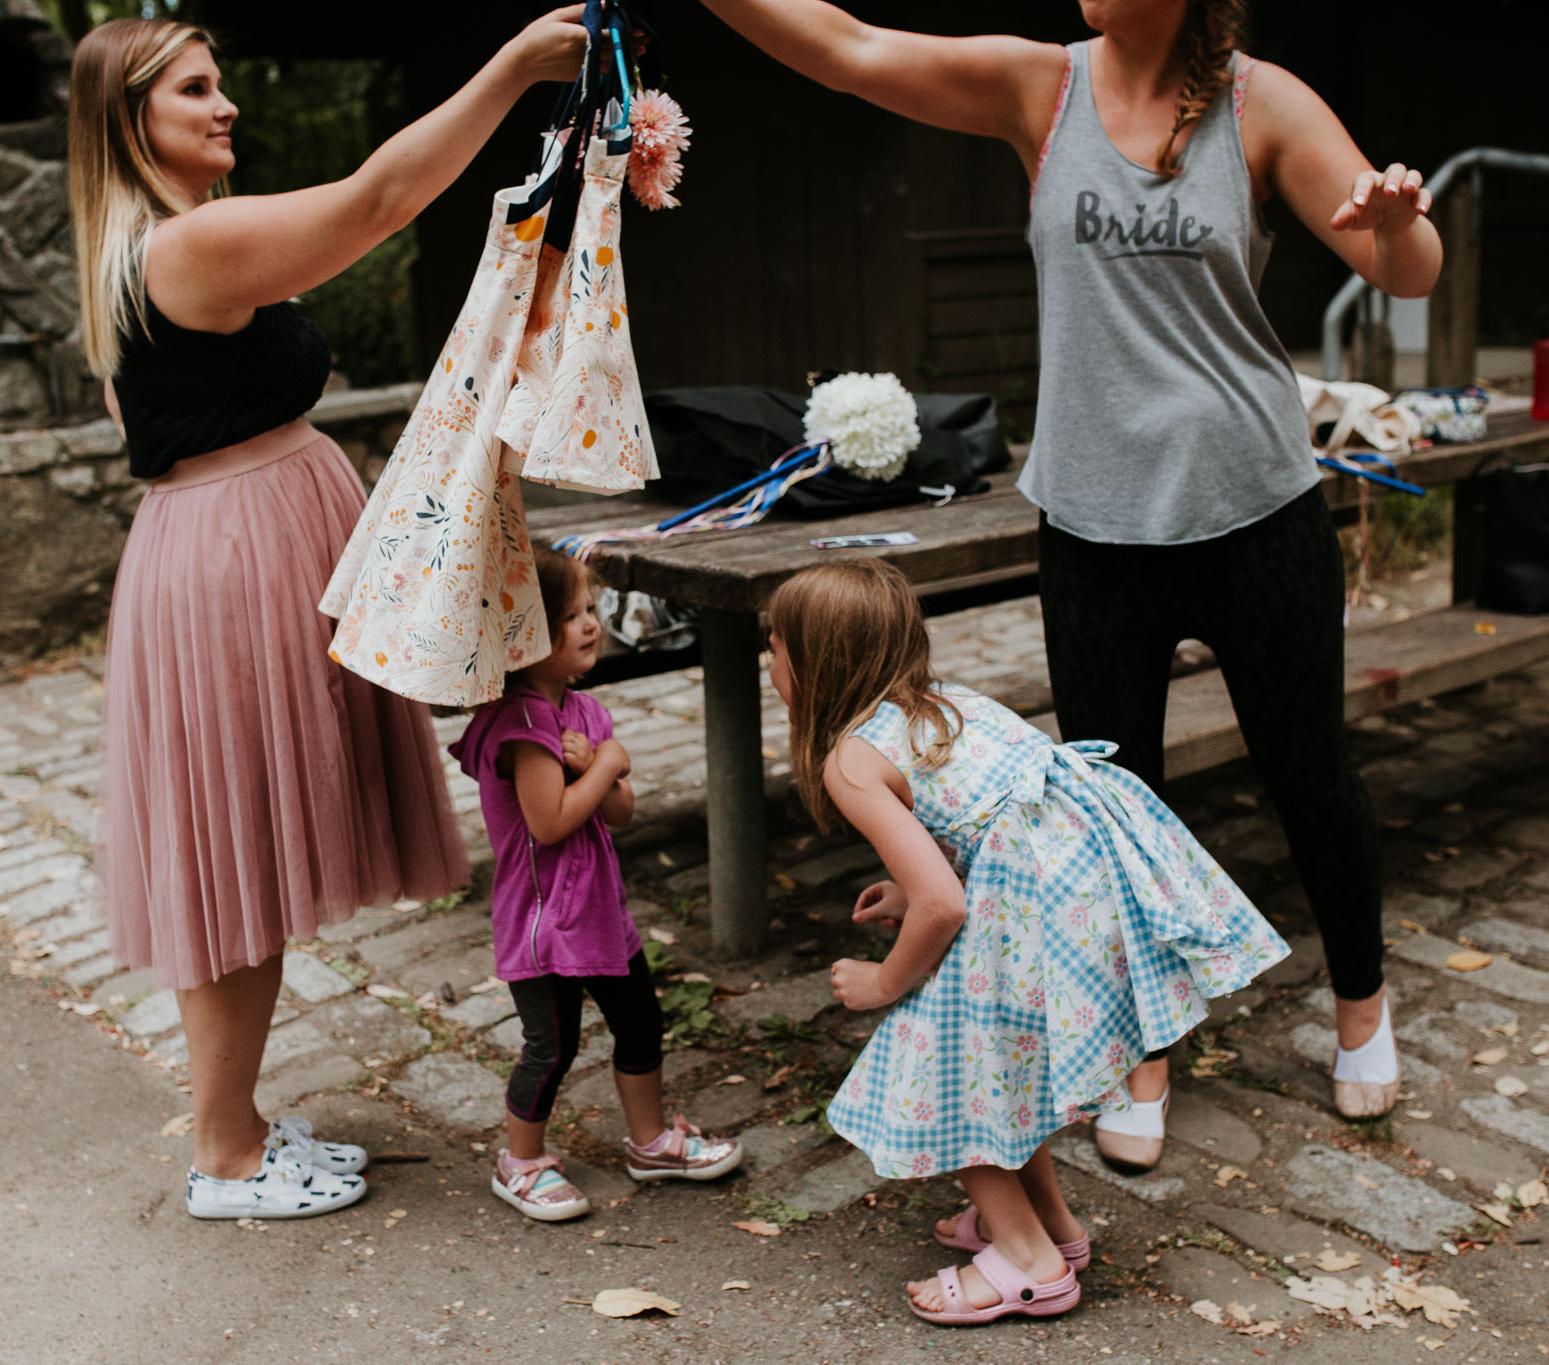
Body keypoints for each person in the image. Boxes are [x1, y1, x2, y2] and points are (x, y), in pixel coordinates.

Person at [702, 0, 1441, 1171]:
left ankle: (1360, 1006)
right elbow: (846, 52)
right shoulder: (1035, 87)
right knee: (1107, 809)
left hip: (1253, 505)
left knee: (1308, 776)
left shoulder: (1264, 102)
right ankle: (1141, 1055)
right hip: (1094, 521)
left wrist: (1399, 228)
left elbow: (1403, 271)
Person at [69, 11, 590, 1221]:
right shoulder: (184, 248)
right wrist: (512, 69)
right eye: (193, 90)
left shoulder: (135, 252)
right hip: (234, 561)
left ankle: (236, 1119)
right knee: (234, 852)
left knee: (242, 840)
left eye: (219, 83)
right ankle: (224, 1153)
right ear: (128, 121)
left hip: (236, 540)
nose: (224, 106)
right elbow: (374, 203)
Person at [766, 558, 1287, 1323]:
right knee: (1000, 1065)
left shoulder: (849, 758)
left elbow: (944, 906)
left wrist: (885, 982)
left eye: (773, 646)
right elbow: (978, 820)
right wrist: (909, 887)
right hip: (1079, 886)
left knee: (944, 1061)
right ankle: (1053, 1228)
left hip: (1036, 904)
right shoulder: (943, 703)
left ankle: (1030, 1263)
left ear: (814, 664)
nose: (768, 662)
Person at [450, 550, 744, 1220]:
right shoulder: (522, 726)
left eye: (589, 611)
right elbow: (549, 823)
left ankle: (649, 1142)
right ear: (524, 635)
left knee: (640, 1021)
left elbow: (620, 811)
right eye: (567, 618)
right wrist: (607, 761)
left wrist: (606, 768)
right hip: (543, 922)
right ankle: (520, 1161)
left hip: (599, 912)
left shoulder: (583, 711)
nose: (589, 625)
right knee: (552, 1047)